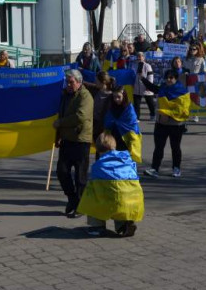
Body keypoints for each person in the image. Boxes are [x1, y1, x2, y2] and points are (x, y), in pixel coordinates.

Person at [79, 132, 143, 237]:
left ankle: (97, 226)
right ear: (114, 145)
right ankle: (123, 225)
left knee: (92, 195)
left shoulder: (98, 165)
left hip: (113, 199)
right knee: (118, 198)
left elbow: (94, 186)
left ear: (98, 149)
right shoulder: (127, 159)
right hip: (132, 198)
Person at [53, 69, 94, 218]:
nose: (69, 85)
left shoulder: (86, 96)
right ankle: (72, 198)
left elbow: (81, 116)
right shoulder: (65, 95)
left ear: (79, 82)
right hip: (66, 139)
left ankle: (81, 206)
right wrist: (57, 135)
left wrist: (60, 123)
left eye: (71, 82)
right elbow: (61, 113)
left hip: (81, 140)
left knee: (80, 176)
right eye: (67, 82)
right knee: (62, 171)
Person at [141, 69, 188, 179]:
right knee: (158, 147)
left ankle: (176, 168)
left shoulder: (182, 91)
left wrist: (167, 114)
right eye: (167, 77)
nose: (168, 79)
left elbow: (183, 109)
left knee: (175, 147)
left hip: (176, 124)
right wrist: (142, 79)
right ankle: (154, 169)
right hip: (161, 123)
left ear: (176, 79)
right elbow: (153, 88)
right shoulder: (163, 87)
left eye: (171, 77)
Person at [103, 86, 142, 163]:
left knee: (125, 161)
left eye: (119, 97)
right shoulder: (111, 108)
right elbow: (107, 121)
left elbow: (132, 125)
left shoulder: (129, 108)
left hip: (126, 139)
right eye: (114, 97)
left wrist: (117, 123)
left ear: (124, 96)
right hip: (113, 138)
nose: (116, 99)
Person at [91, 71, 114, 146]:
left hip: (103, 128)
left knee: (102, 148)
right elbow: (88, 84)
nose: (95, 82)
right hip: (94, 125)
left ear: (103, 82)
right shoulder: (96, 91)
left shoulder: (111, 96)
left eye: (97, 81)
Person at [132, 52, 155, 121]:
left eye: (141, 56)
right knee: (136, 104)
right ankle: (137, 117)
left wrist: (149, 85)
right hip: (136, 87)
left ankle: (153, 115)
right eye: (138, 56)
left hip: (146, 87)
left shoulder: (147, 66)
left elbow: (150, 76)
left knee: (150, 103)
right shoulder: (134, 65)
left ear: (143, 57)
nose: (139, 57)